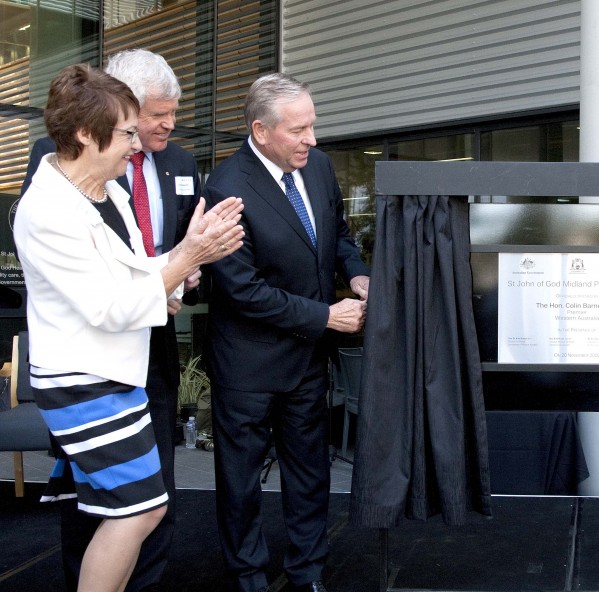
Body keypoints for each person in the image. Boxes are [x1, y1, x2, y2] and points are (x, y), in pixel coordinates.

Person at [14, 64, 243, 592]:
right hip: (83, 383)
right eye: (125, 133)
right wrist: (188, 255)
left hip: (118, 375)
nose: (136, 145)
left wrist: (182, 269)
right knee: (139, 510)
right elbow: (109, 305)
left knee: (135, 508)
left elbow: (137, 274)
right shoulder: (46, 209)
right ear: (83, 135)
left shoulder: (106, 191)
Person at [204, 72, 370, 592]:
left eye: (313, 126)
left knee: (310, 476)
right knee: (241, 485)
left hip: (305, 363)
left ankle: (308, 574)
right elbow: (242, 291)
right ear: (260, 130)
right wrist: (326, 316)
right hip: (247, 368)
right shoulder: (225, 188)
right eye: (299, 130)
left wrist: (357, 272)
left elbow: (338, 237)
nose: (313, 140)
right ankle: (249, 578)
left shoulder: (317, 168)